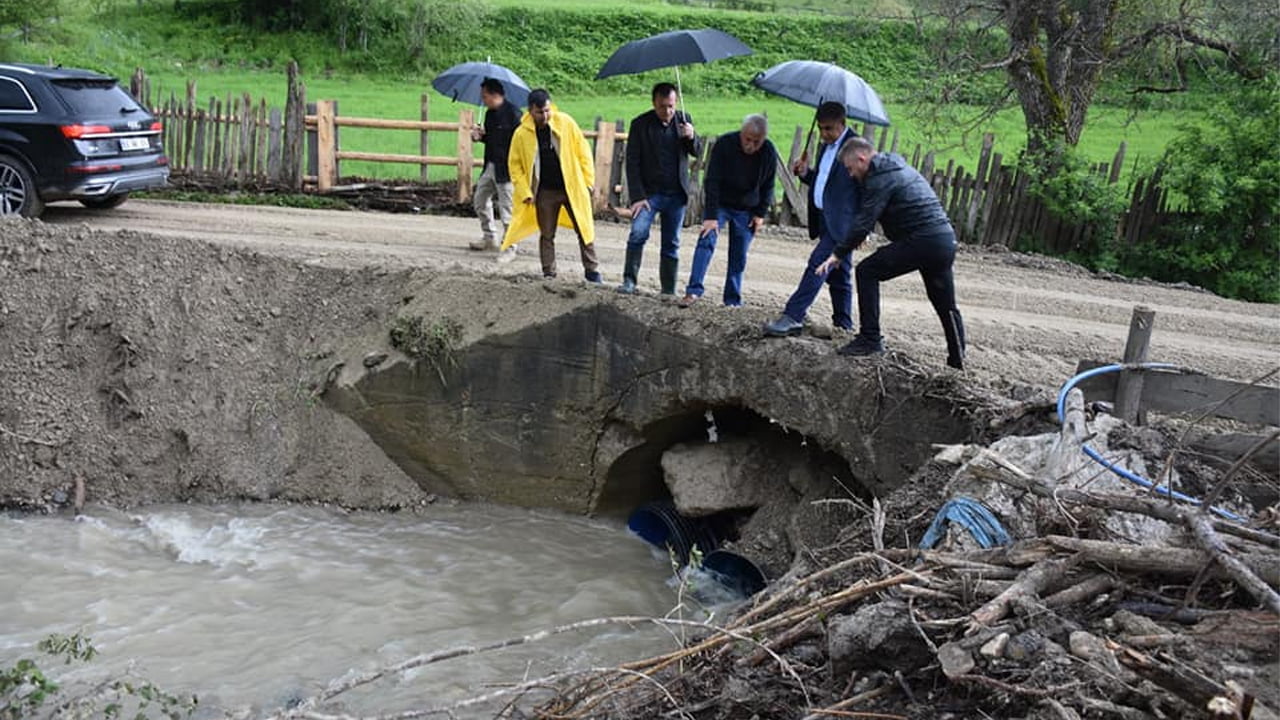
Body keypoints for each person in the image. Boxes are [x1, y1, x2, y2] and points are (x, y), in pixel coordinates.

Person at [815, 136, 965, 369]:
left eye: (850, 168)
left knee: (867, 271)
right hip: (943, 240)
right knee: (945, 303)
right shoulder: (894, 167)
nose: (851, 174)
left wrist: (837, 254)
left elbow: (865, 220)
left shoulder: (881, 177)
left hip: (923, 239)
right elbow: (872, 214)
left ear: (862, 158)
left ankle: (870, 338)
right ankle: (958, 360)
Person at [764, 102, 859, 337]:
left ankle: (793, 316)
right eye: (821, 129)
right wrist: (806, 174)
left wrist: (862, 227)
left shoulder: (856, 148)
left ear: (842, 124)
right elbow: (826, 181)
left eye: (829, 129)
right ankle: (843, 326)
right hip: (826, 219)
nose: (824, 134)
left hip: (843, 223)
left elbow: (866, 189)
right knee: (839, 275)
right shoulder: (826, 146)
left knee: (818, 263)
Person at [501, 89, 601, 283]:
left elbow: (584, 153)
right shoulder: (521, 134)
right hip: (545, 191)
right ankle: (549, 272)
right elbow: (515, 166)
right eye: (540, 112)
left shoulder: (566, 123)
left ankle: (592, 271)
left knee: (584, 228)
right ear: (530, 111)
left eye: (547, 110)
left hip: (572, 186)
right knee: (547, 234)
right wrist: (525, 191)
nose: (545, 115)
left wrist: (588, 182)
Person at [679, 114, 777, 307]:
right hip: (721, 202)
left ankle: (732, 300)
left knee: (739, 254)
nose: (751, 145)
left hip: (747, 208)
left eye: (756, 142)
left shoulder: (768, 152)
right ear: (742, 133)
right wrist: (710, 216)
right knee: (706, 240)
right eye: (747, 139)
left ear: (763, 139)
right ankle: (693, 291)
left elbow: (769, 185)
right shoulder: (725, 144)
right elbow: (712, 180)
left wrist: (759, 214)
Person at [618, 82, 703, 296]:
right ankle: (629, 281)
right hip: (649, 195)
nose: (667, 111)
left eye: (671, 106)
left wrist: (692, 137)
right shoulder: (640, 124)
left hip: (676, 194)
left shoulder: (684, 120)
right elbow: (633, 162)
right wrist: (637, 196)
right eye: (662, 106)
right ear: (654, 104)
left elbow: (696, 153)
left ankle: (668, 290)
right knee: (637, 233)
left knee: (671, 243)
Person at [469, 77, 520, 262]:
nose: (483, 100)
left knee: (507, 210)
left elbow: (521, 144)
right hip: (490, 165)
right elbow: (492, 138)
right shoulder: (489, 114)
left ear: (494, 95)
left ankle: (510, 246)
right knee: (480, 200)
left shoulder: (515, 115)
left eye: (485, 96)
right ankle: (490, 237)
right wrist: (480, 136)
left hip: (507, 169)